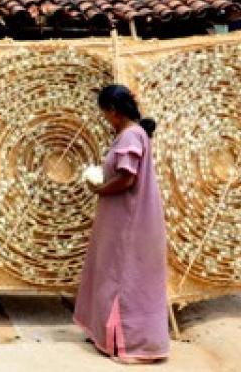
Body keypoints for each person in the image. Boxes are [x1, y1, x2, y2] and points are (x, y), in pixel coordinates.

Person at [74, 84, 170, 364]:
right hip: (124, 219)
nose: (105, 119)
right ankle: (110, 336)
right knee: (114, 274)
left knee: (124, 279)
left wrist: (99, 189)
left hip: (128, 221)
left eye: (105, 113)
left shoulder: (130, 135)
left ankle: (131, 343)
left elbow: (127, 179)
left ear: (114, 111)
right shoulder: (136, 133)